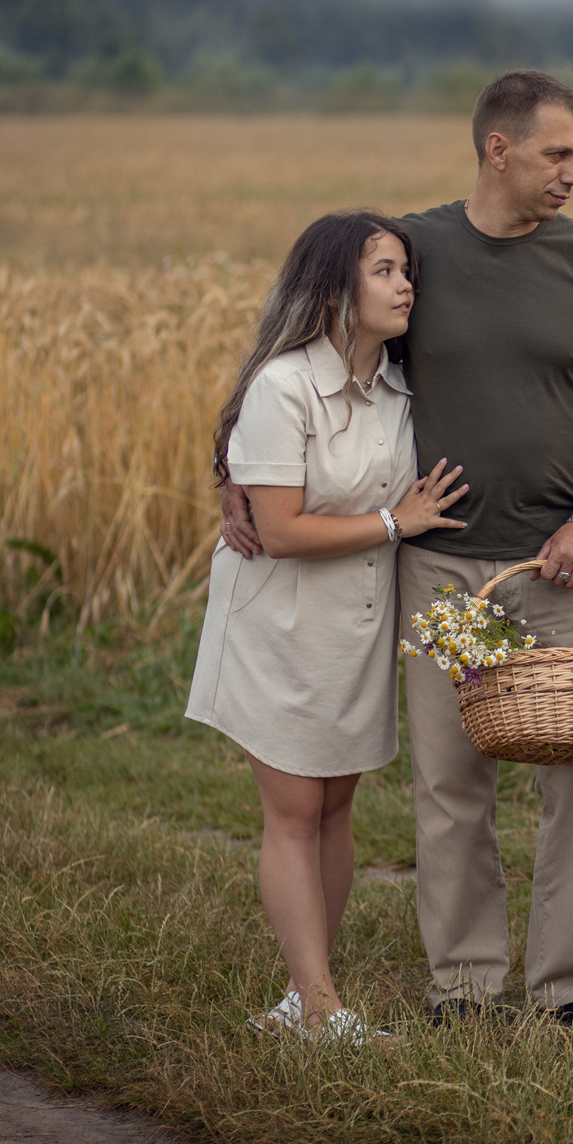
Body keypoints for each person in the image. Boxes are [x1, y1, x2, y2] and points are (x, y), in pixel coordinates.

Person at [224, 71, 573, 1026]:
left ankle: (570, 989)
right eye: (559, 153)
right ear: (499, 148)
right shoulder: (415, 251)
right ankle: (464, 986)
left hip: (560, 563)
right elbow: (305, 351)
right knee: (450, 782)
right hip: (443, 565)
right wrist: (231, 469)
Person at [188, 210, 468, 1045]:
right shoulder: (285, 386)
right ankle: (318, 1006)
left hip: (355, 625)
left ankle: (299, 998)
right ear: (334, 288)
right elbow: (278, 532)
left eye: (406, 270)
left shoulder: (400, 384)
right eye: (384, 270)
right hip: (279, 622)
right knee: (294, 810)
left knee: (337, 804)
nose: (406, 285)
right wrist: (393, 522)